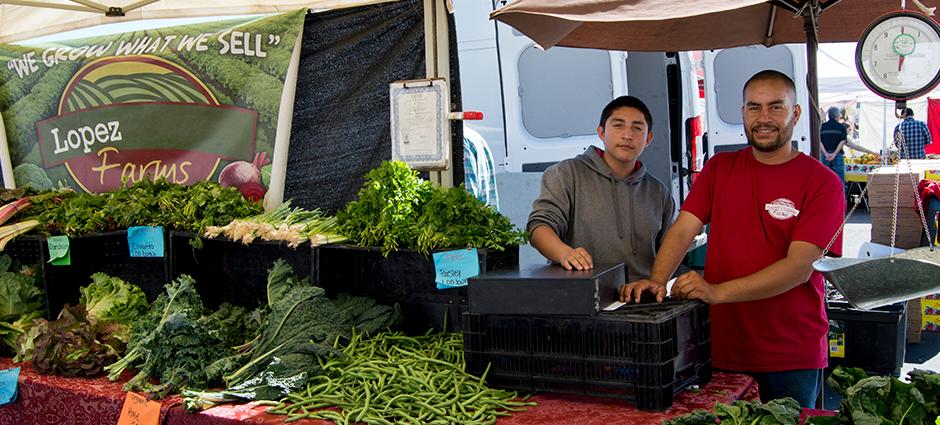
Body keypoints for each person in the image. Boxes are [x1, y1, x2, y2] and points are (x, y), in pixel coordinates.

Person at [620, 70, 845, 408]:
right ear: (742, 113)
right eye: (753, 108)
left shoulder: (822, 183)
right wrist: (656, 280)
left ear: (795, 113)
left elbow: (799, 267)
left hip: (790, 355)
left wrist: (716, 291)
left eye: (775, 107)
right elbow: (683, 228)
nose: (763, 118)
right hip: (722, 347)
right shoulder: (719, 168)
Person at [527, 95, 675, 282]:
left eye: (637, 128)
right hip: (583, 297)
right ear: (601, 132)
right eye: (618, 125)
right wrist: (564, 253)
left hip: (642, 301)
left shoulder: (658, 192)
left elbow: (670, 248)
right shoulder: (567, 173)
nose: (627, 135)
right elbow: (539, 228)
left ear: (648, 138)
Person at [819, 106, 878, 187]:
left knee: (825, 181)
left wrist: (826, 154)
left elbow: (819, 141)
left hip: (825, 157)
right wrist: (834, 154)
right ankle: (841, 198)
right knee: (839, 181)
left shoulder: (822, 127)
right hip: (837, 156)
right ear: (837, 116)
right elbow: (846, 143)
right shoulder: (841, 127)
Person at [463, 126, 500, 210]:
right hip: (486, 216)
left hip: (473, 220)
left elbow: (466, 200)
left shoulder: (456, 142)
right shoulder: (474, 136)